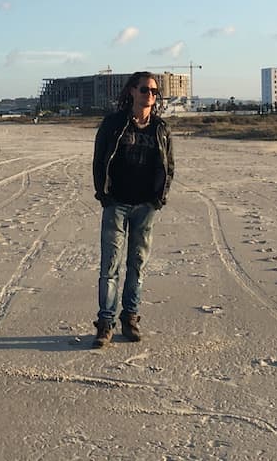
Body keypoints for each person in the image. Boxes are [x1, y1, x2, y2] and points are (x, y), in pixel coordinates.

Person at [91, 71, 175, 348]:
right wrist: (103, 194)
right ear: (131, 92)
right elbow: (99, 159)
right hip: (116, 203)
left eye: (153, 91)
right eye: (144, 90)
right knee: (110, 265)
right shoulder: (114, 124)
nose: (149, 95)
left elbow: (168, 166)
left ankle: (130, 318)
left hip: (145, 206)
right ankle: (105, 323)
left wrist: (159, 198)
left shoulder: (160, 128)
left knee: (137, 265)